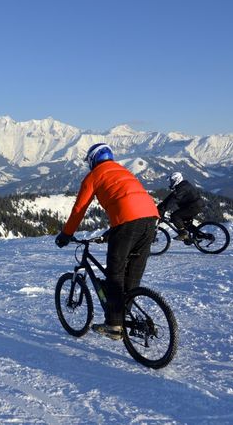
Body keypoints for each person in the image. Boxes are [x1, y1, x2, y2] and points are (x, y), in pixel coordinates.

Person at [55, 143, 159, 340]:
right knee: (133, 273)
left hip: (128, 221)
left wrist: (66, 234)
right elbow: (129, 199)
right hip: (150, 220)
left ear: (93, 160)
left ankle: (114, 324)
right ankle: (124, 313)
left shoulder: (94, 176)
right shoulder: (123, 170)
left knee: (115, 273)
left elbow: (79, 209)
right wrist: (112, 232)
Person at [156, 172, 205, 241]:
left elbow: (174, 199)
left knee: (175, 216)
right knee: (186, 224)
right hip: (195, 206)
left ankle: (183, 234)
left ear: (177, 180)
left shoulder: (182, 188)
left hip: (194, 206)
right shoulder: (181, 186)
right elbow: (170, 198)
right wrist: (160, 207)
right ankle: (198, 235)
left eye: (172, 181)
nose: (171, 183)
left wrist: (163, 209)